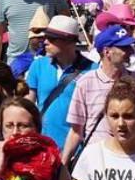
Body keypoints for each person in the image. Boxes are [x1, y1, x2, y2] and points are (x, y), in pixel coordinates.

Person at [60, 24, 135, 177]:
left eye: (129, 46)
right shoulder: (85, 83)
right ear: (107, 51)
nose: (130, 51)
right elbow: (76, 131)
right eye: (124, 48)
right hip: (97, 162)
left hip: (131, 161)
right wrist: (63, 164)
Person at [26, 15, 94, 147]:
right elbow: (28, 104)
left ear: (69, 41)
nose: (45, 42)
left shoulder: (92, 70)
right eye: (46, 37)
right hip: (42, 145)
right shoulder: (38, 65)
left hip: (78, 148)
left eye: (51, 39)